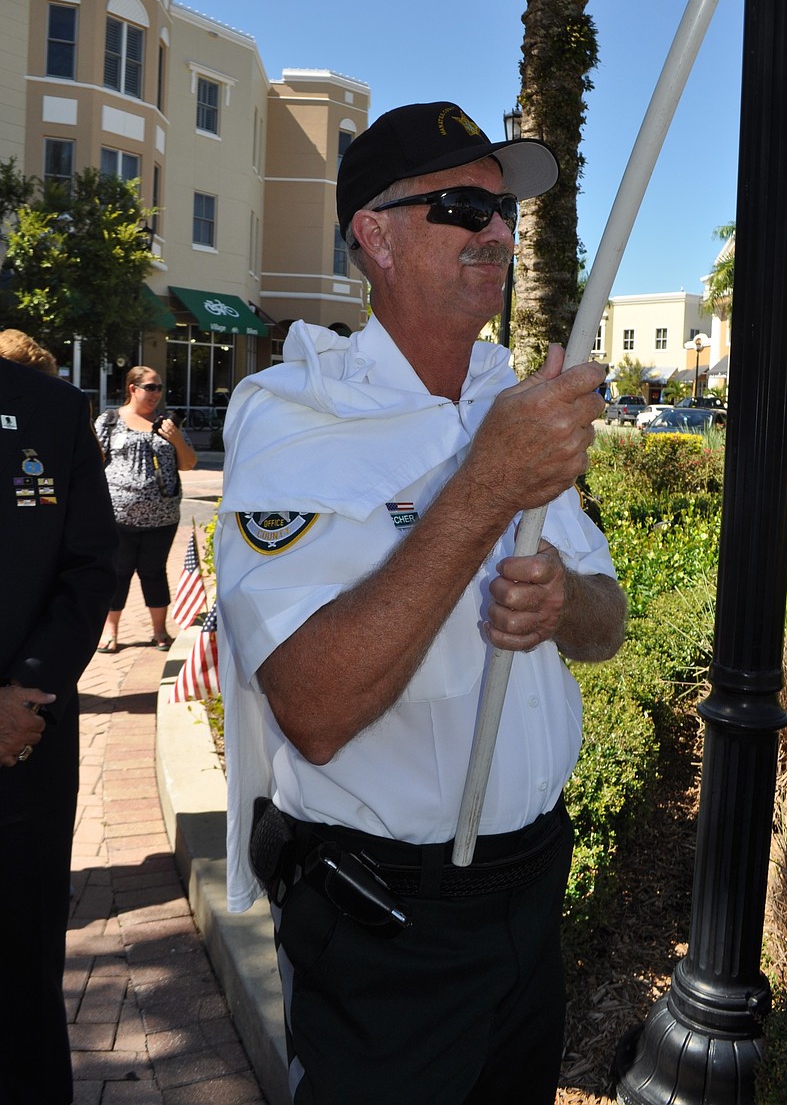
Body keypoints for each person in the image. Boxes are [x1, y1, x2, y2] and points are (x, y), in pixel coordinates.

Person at [216, 100, 627, 1105]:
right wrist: (484, 485)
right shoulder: (295, 414)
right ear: (377, 235)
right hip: (386, 925)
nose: (497, 231)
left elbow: (607, 625)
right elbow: (312, 708)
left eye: (504, 214)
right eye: (461, 207)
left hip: (531, 896)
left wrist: (559, 600)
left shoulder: (515, 399)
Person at [0, 355, 117, 1105]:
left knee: (21, 977)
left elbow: (88, 566)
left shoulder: (51, 409)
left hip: (24, 745)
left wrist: (25, 691)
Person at [94, 367, 197, 652]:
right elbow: (93, 460)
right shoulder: (111, 420)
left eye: (160, 388)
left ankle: (159, 631)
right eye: (151, 387)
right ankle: (110, 630)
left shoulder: (167, 424)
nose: (156, 394)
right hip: (118, 516)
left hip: (162, 517)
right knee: (118, 572)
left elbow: (188, 463)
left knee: (153, 572)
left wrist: (175, 438)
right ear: (132, 388)